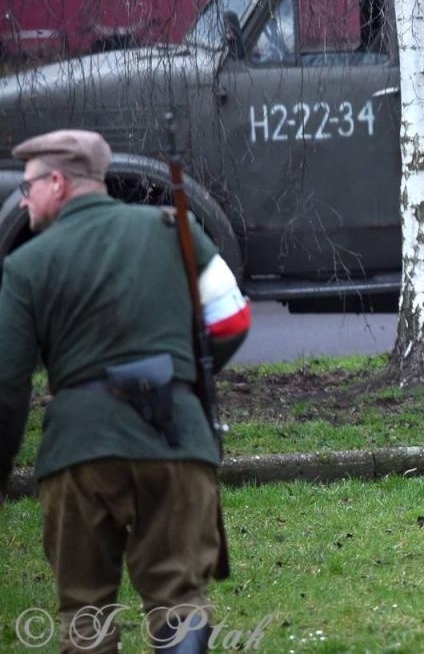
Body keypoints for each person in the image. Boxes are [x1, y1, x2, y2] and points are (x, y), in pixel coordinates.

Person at [0, 130, 250, 654]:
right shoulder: (170, 229)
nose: (22, 200)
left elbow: (7, 383)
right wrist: (182, 375)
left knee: (85, 611)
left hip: (78, 451)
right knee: (180, 599)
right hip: (175, 439)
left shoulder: (25, 266)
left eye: (28, 187)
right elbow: (231, 319)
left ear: (58, 183)